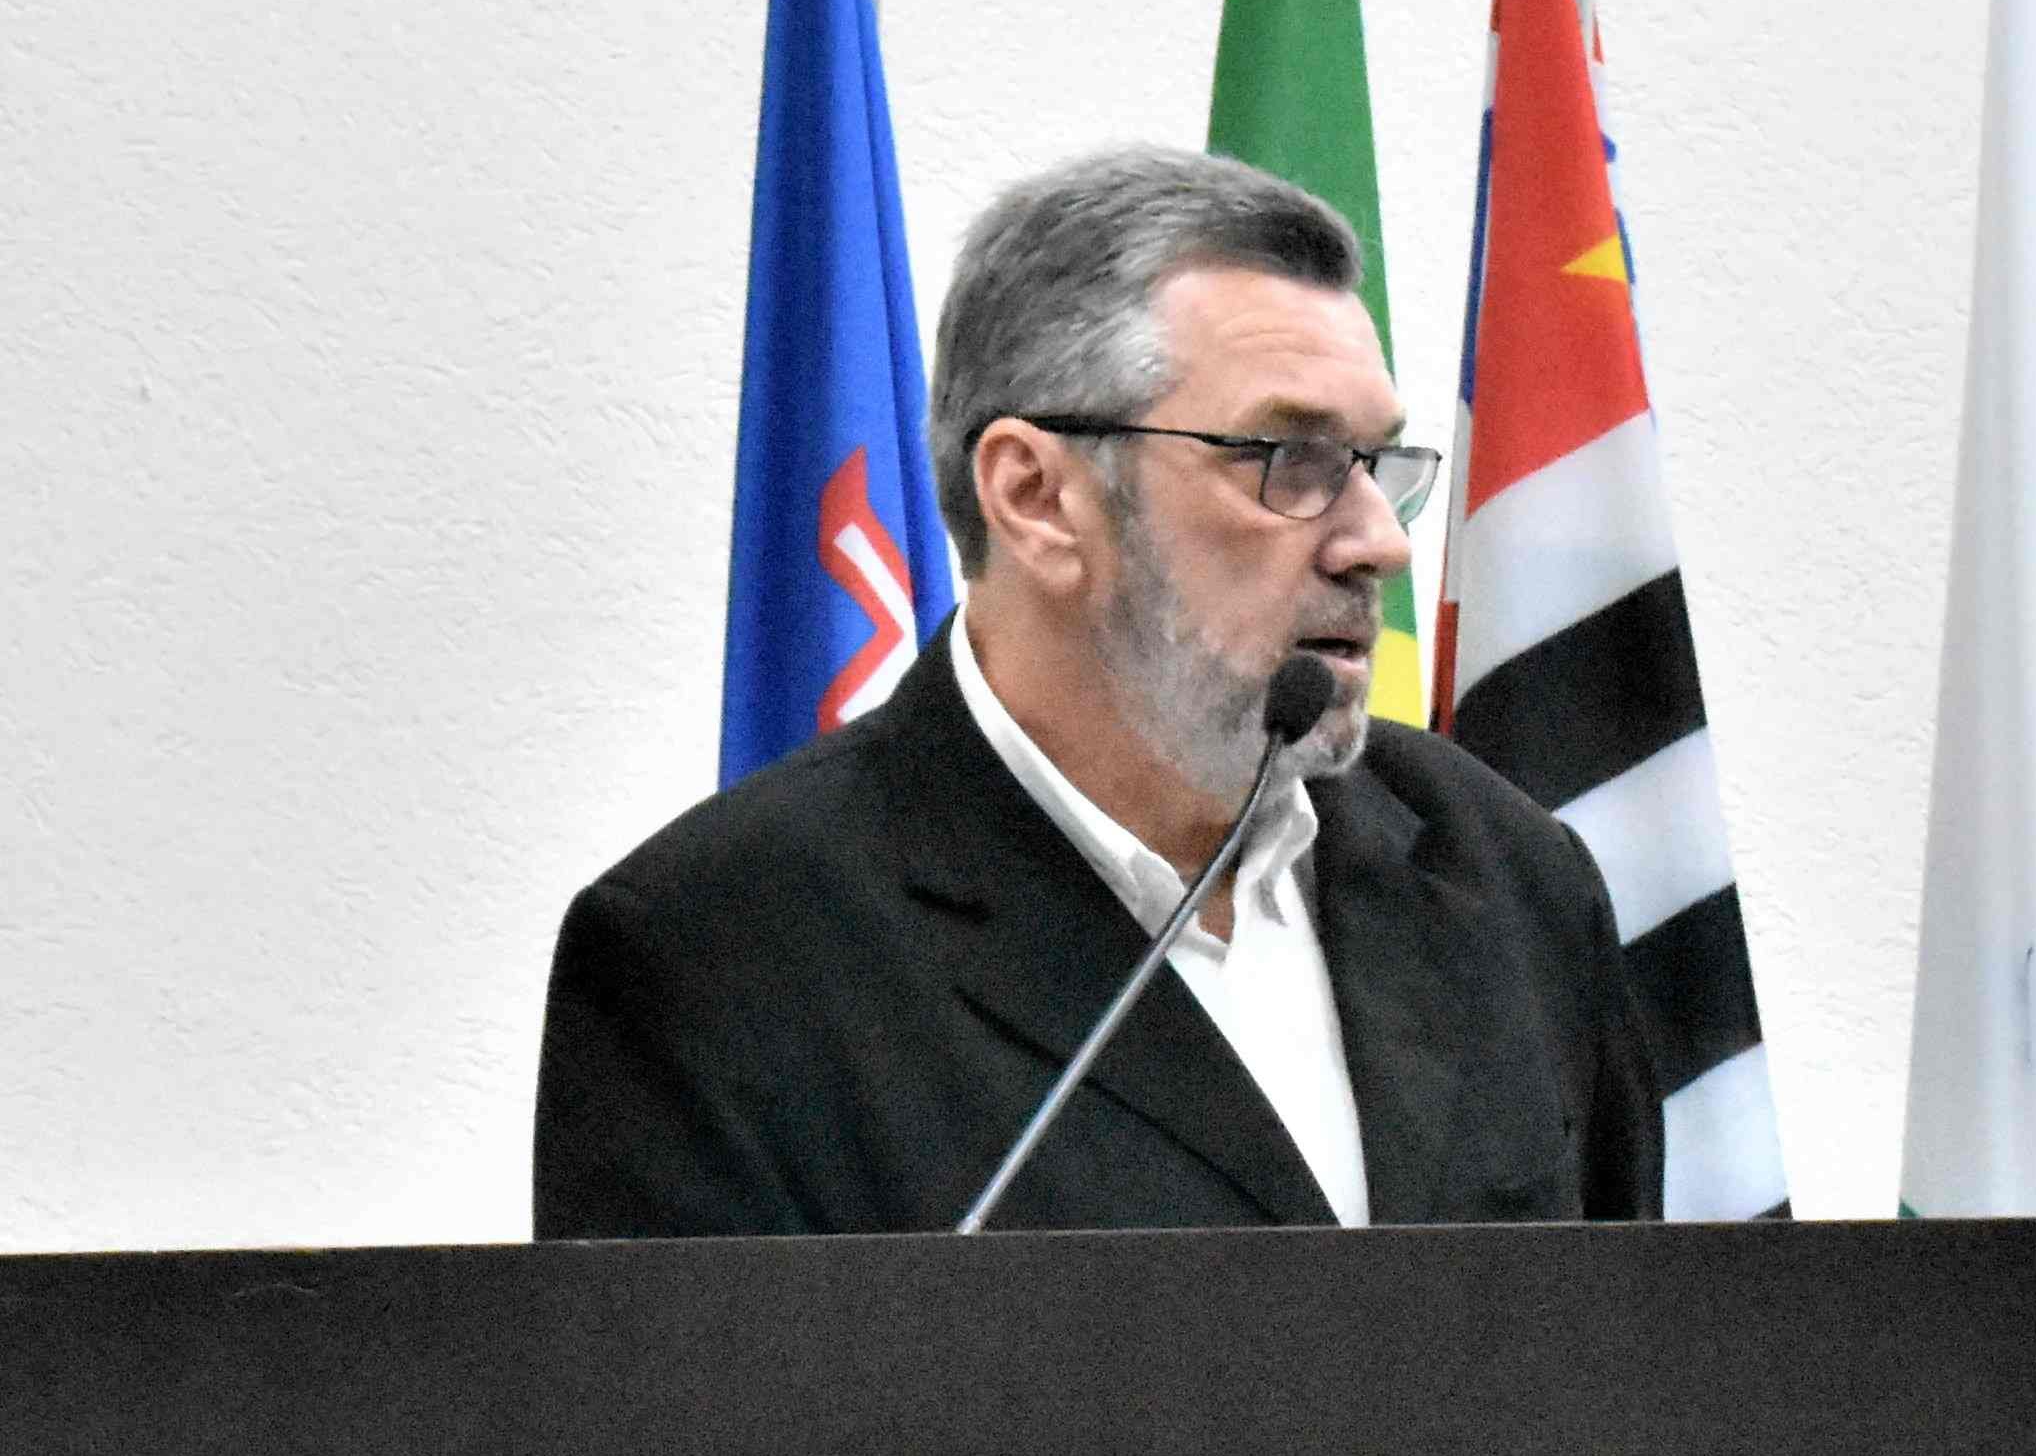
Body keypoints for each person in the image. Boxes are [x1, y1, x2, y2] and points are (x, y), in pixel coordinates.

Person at [537, 147, 1665, 1236]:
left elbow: (1620, 1348)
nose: (1379, 542)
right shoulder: (723, 956)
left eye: (1378, 466)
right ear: (1036, 496)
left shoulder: (1508, 878)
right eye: (1290, 461)